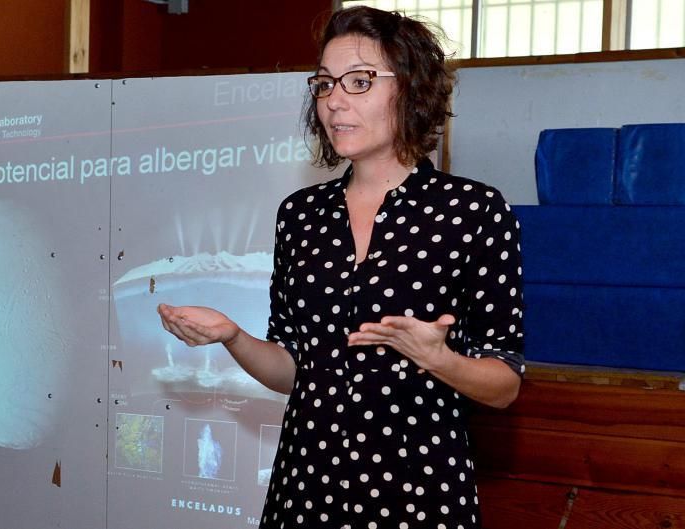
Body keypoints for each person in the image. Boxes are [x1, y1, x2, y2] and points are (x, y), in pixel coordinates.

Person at [158, 6, 524, 528]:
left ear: (412, 89)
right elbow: (295, 373)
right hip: (307, 489)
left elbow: (504, 383)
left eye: (359, 82)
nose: (334, 102)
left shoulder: (473, 212)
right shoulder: (300, 215)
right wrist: (232, 337)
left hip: (418, 492)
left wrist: (437, 359)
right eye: (325, 84)